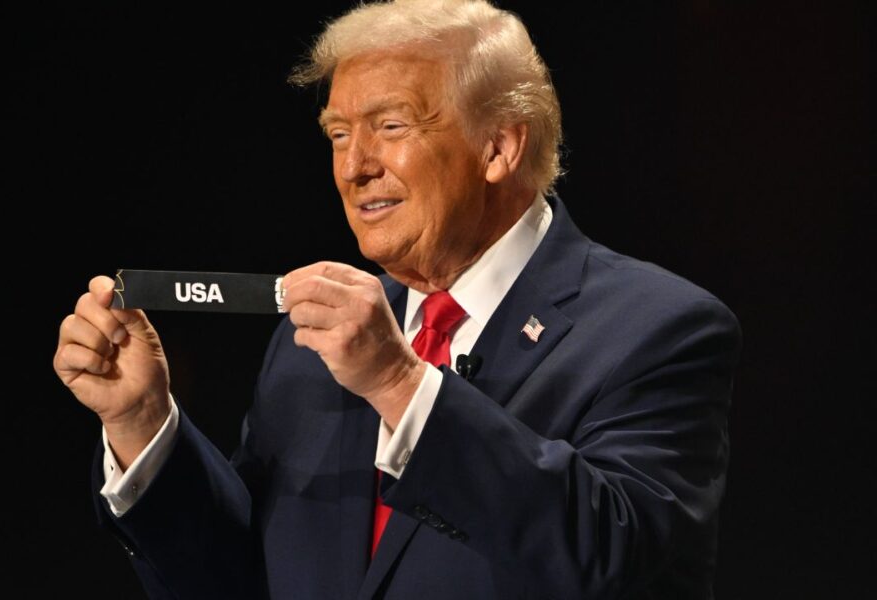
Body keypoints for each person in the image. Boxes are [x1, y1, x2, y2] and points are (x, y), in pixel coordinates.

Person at [53, 1, 741, 598]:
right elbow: (239, 579)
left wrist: (398, 384)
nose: (354, 167)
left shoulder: (659, 330)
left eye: (391, 126)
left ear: (498, 147)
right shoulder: (310, 348)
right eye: (339, 134)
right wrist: (143, 423)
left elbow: (614, 559)